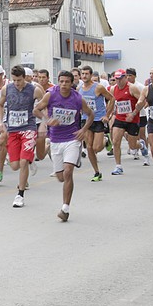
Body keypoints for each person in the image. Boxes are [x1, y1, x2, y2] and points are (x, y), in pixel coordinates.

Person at [34, 71, 94, 221]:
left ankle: (65, 208)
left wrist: (83, 130)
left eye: (67, 82)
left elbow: (91, 114)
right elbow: (36, 110)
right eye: (61, 81)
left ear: (71, 83)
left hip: (72, 139)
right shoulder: (51, 95)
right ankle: (69, 165)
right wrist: (47, 120)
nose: (64, 85)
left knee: (68, 172)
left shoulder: (77, 98)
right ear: (58, 82)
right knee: (60, 177)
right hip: (55, 140)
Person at [4, 66, 45, 206]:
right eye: (14, 80)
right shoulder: (7, 88)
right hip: (13, 129)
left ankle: (20, 195)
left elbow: (45, 103)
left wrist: (44, 121)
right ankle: (29, 159)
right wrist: (0, 121)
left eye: (19, 80)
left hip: (28, 128)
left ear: (25, 78)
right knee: (14, 166)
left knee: (22, 163)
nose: (17, 83)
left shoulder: (34, 90)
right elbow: (0, 105)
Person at [78, 65, 113, 181]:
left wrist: (107, 115)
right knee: (89, 148)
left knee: (96, 147)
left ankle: (106, 140)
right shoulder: (80, 89)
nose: (84, 76)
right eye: (82, 74)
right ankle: (97, 172)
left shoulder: (98, 88)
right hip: (86, 119)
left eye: (86, 74)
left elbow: (111, 99)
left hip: (98, 119)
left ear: (91, 75)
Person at [109, 68, 145, 175]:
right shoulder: (113, 89)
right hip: (120, 119)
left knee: (133, 146)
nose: (118, 81)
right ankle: (118, 166)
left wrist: (133, 113)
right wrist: (110, 115)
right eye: (116, 79)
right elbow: (113, 103)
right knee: (115, 142)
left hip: (132, 119)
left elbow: (142, 102)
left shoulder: (132, 88)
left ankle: (141, 145)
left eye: (120, 79)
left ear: (125, 78)